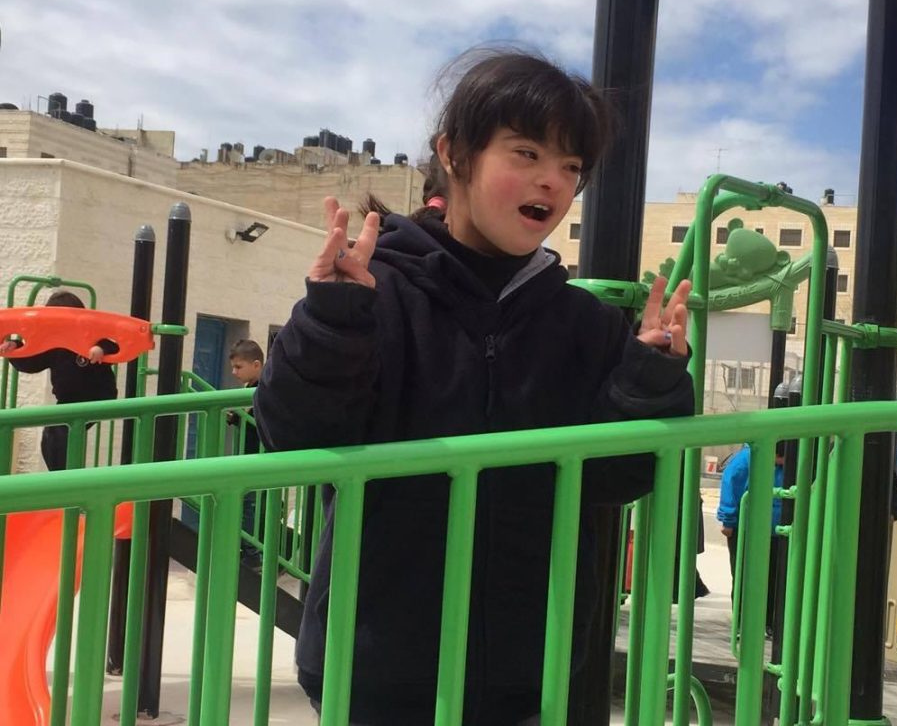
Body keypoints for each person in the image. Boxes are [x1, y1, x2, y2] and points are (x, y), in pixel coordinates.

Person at [255, 47, 696, 725]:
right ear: (454, 154)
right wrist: (331, 321)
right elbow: (297, 436)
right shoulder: (376, 291)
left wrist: (650, 378)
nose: (552, 181)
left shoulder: (583, 322)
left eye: (571, 166)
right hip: (375, 665)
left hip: (530, 671)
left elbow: (616, 478)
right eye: (526, 153)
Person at [0, 290, 119, 471]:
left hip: (98, 396)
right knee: (50, 435)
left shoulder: (89, 337)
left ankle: (66, 476)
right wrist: (15, 347)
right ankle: (58, 474)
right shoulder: (53, 344)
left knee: (61, 430)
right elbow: (32, 361)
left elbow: (114, 345)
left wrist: (101, 349)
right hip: (68, 401)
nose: (62, 329)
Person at [716, 443, 784, 631]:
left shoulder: (780, 465)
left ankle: (768, 622)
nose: (783, 462)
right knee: (744, 577)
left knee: (774, 578)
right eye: (781, 458)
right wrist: (728, 520)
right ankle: (742, 622)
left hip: (775, 530)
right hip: (746, 528)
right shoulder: (745, 460)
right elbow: (730, 487)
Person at [226, 339, 265, 568]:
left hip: (256, 456)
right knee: (246, 502)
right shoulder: (251, 387)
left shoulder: (263, 388)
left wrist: (239, 417)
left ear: (256, 364)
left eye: (239, 367)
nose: (234, 372)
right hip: (249, 455)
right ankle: (248, 550)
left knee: (249, 504)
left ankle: (252, 554)